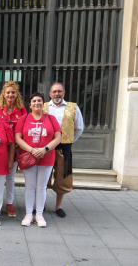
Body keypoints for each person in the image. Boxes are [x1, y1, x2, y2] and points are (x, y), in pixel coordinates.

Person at [15, 93, 61, 227]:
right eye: (34, 101)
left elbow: (58, 138)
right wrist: (31, 150)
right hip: (28, 157)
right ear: (29, 105)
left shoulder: (51, 119)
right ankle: (29, 214)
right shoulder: (23, 119)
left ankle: (39, 214)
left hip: (46, 157)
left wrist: (45, 149)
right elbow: (18, 138)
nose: (37, 103)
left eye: (39, 100)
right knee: (30, 186)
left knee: (41, 187)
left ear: (43, 103)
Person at [44, 83, 84, 218]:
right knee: (43, 178)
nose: (56, 94)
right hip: (46, 148)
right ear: (50, 94)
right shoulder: (43, 107)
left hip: (64, 149)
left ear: (64, 93)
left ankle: (58, 206)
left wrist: (69, 141)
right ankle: (41, 204)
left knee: (62, 178)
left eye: (59, 91)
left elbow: (79, 128)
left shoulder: (72, 107)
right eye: (54, 91)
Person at [0, 81, 27, 217]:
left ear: (17, 94)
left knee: (10, 178)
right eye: (8, 92)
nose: (10, 95)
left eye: (13, 92)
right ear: (3, 94)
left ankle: (9, 203)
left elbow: (25, 131)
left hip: (14, 149)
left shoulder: (22, 110)